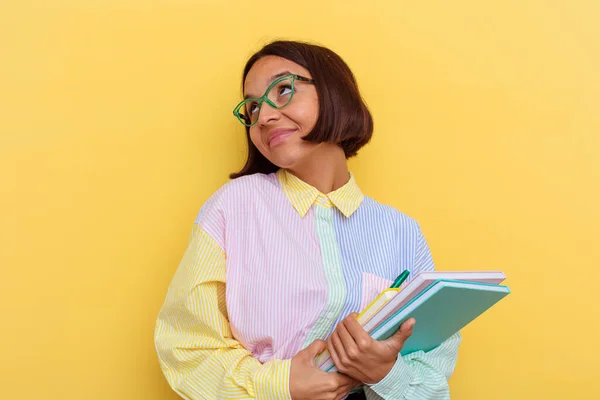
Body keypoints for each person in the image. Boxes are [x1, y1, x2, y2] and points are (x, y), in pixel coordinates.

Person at [154, 40, 461, 400]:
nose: (264, 117)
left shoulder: (401, 232)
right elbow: (186, 347)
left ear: (334, 93)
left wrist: (385, 373)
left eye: (283, 90)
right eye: (252, 108)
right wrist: (280, 384)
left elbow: (432, 374)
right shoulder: (233, 208)